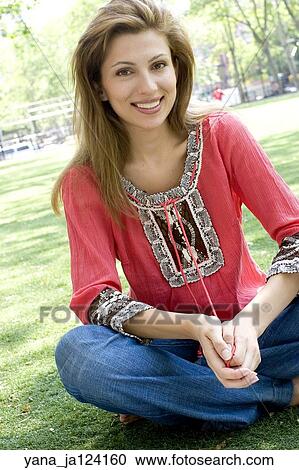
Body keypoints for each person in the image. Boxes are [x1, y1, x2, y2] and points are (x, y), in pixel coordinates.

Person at [51, 0, 299, 431]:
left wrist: (247, 326)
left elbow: (296, 236)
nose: (148, 87)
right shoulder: (85, 180)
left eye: (158, 65)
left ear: (177, 69)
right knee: (79, 355)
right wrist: (196, 329)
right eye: (125, 71)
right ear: (99, 87)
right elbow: (95, 300)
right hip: (168, 346)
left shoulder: (221, 133)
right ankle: (281, 393)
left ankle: (178, 399)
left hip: (263, 330)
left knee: (154, 382)